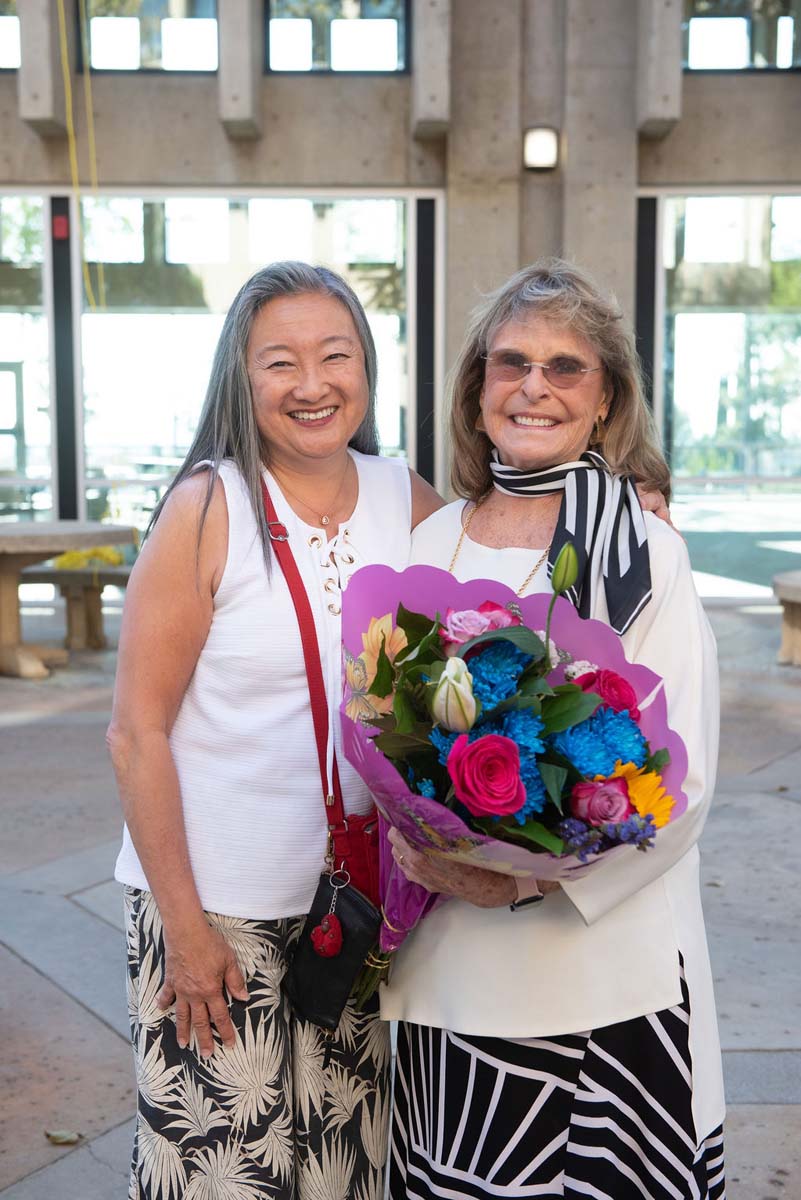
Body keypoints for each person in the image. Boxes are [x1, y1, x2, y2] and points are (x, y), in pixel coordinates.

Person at [383, 258, 725, 1200]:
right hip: (447, 966)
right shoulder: (427, 541)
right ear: (477, 387)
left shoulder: (641, 546)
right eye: (510, 362)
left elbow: (682, 781)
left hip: (598, 971)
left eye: (565, 366)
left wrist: (521, 884)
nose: (533, 386)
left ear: (605, 396)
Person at [107, 261, 441, 1199]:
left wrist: (627, 502)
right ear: (240, 380)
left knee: (349, 1169)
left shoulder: (403, 496)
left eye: (336, 355)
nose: (311, 384)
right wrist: (183, 926)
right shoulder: (207, 508)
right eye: (279, 362)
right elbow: (137, 733)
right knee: (223, 1176)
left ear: (366, 370)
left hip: (358, 911)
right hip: (213, 910)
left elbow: (508, 570)